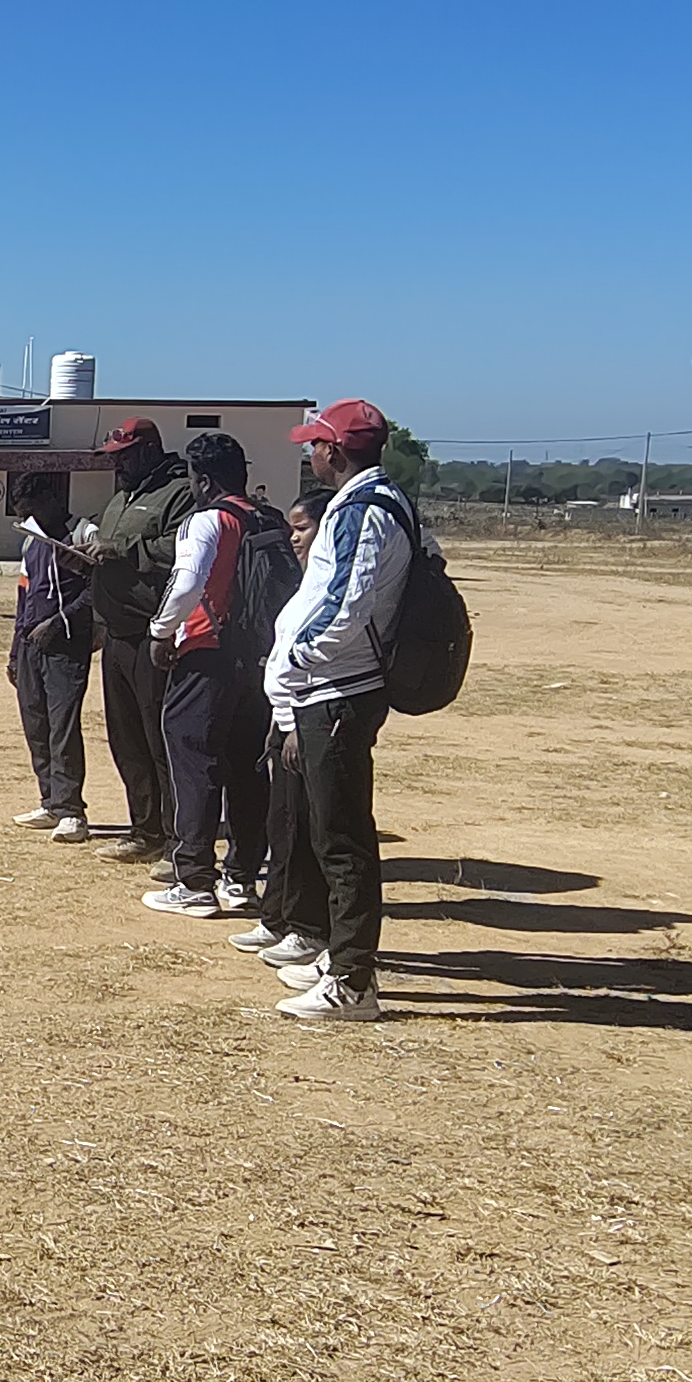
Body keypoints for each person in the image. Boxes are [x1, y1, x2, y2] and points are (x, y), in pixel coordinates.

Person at [262, 399, 418, 1024]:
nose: (310, 453)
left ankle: (353, 982)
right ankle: (337, 957)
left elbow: (346, 603)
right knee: (327, 833)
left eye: (317, 443)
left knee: (342, 839)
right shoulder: (380, 501)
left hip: (337, 690)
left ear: (338, 450)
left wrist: (295, 655)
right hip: (329, 688)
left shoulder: (363, 510)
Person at [142, 433, 280, 920]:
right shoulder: (270, 518)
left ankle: (193, 877)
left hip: (208, 652)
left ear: (204, 480)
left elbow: (188, 582)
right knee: (248, 767)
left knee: (192, 759)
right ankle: (241, 877)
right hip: (259, 659)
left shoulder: (207, 520)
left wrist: (162, 632)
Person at [80, 417, 192, 864]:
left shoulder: (179, 494)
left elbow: (181, 549)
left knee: (158, 739)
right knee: (125, 738)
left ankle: (175, 837)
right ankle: (143, 829)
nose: (118, 465)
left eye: (124, 456)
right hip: (117, 633)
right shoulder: (123, 496)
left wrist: (123, 552)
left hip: (154, 635)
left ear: (147, 450)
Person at [4, 469, 93, 842]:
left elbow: (96, 591)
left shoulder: (82, 534)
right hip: (30, 646)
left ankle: (72, 810)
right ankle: (50, 800)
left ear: (53, 500)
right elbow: (25, 592)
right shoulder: (31, 540)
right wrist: (15, 649)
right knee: (36, 725)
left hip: (65, 647)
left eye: (34, 508)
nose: (31, 518)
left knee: (61, 727)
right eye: (24, 512)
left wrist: (59, 622)